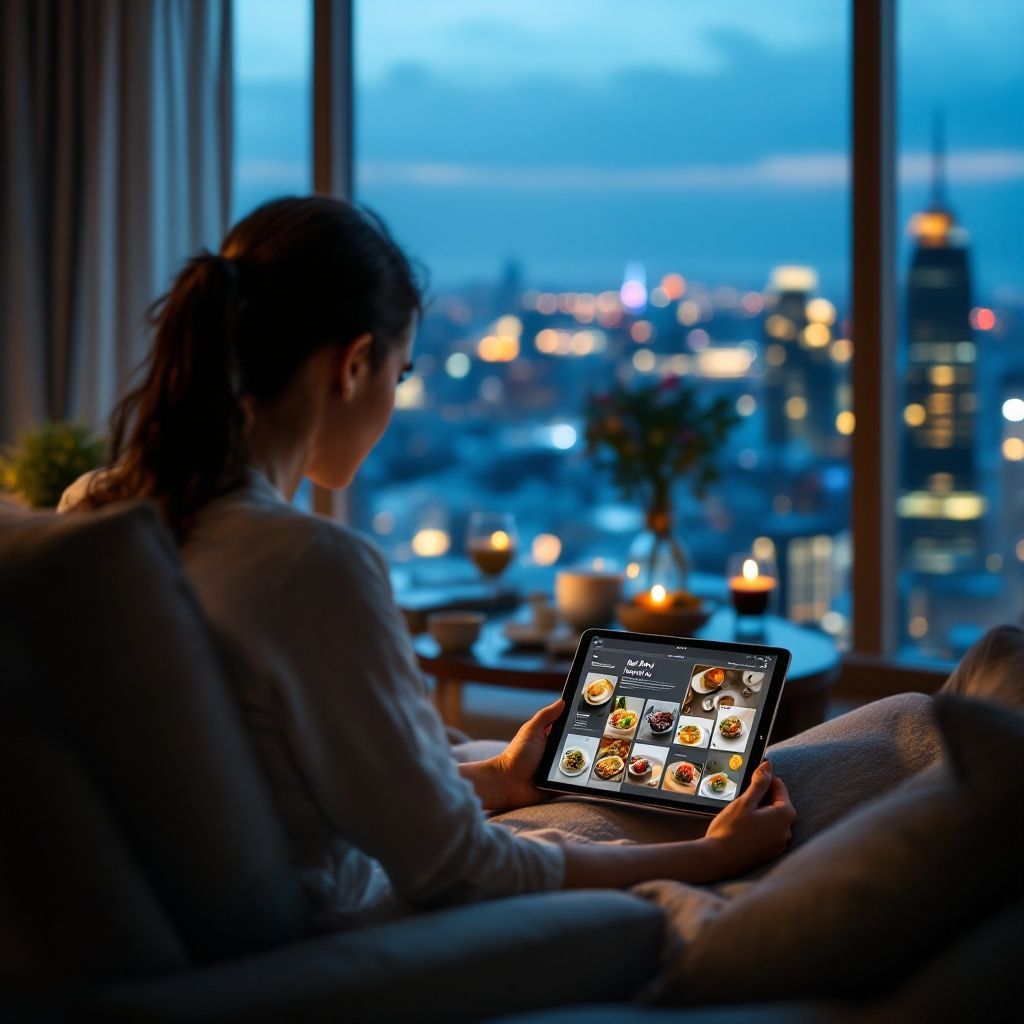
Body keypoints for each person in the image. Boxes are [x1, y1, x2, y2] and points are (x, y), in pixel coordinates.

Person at [61, 197, 796, 929]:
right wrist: (708, 857)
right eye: (400, 374)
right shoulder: (309, 566)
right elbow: (462, 871)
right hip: (317, 953)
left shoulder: (92, 512)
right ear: (352, 366)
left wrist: (496, 779)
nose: (395, 399)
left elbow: (270, 770)